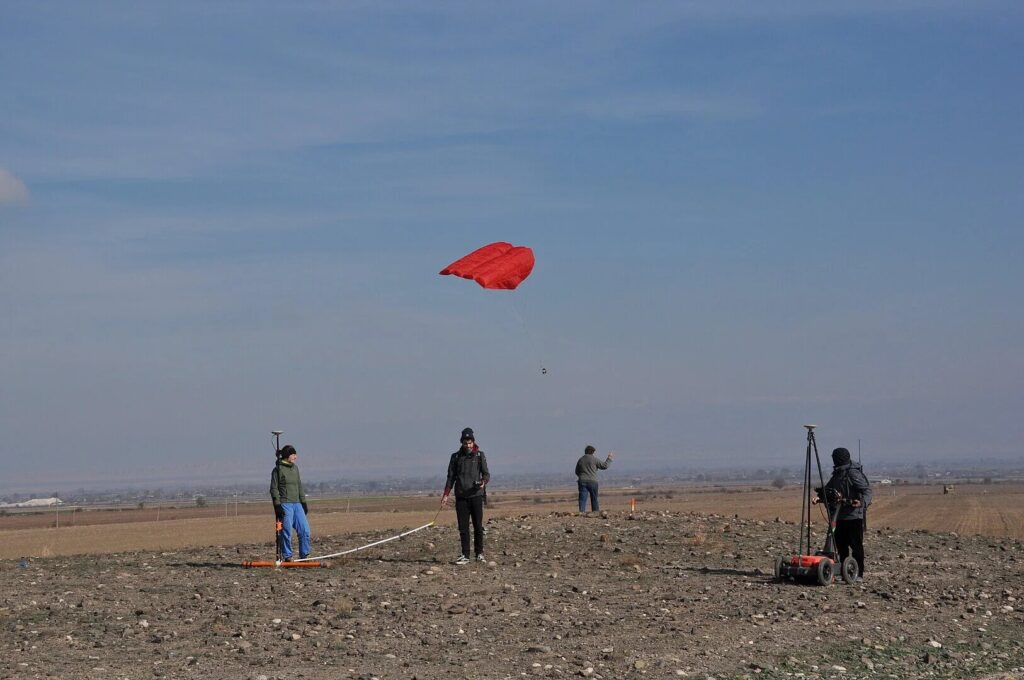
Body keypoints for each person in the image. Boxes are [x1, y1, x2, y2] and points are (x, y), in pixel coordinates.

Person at [813, 447, 872, 579]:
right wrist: (820, 498)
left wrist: (862, 502)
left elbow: (867, 491)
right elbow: (828, 490)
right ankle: (843, 572)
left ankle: (858, 574)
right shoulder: (838, 474)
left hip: (853, 516)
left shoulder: (852, 473)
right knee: (841, 545)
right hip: (839, 516)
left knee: (856, 546)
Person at [441, 427, 490, 565]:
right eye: (465, 443)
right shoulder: (455, 457)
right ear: (461, 443)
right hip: (461, 497)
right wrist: (446, 495)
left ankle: (479, 553)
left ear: (473, 442)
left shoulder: (480, 455)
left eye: (470, 443)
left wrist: (483, 483)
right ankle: (465, 555)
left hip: (476, 496)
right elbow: (450, 478)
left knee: (478, 526)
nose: (468, 445)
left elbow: (486, 474)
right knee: (463, 528)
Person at [270, 444, 311, 561]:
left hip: (297, 504)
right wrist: (277, 505)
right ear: (288, 455)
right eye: (293, 454)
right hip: (285, 504)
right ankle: (287, 556)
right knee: (286, 531)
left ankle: (304, 555)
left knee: (305, 529)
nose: (296, 457)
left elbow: (299, 485)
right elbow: (274, 489)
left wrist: (303, 502)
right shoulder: (277, 470)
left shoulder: (295, 468)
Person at [575, 445, 613, 513]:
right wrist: (609, 458)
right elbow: (604, 466)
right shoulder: (594, 459)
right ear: (593, 452)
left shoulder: (580, 460)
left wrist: (581, 476)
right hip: (593, 481)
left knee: (582, 498)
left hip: (582, 481)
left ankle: (581, 512)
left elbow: (576, 471)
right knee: (594, 498)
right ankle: (595, 512)